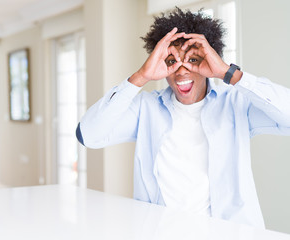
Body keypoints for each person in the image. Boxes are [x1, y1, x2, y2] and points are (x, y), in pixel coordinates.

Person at [75, 8, 290, 228]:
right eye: (171, 62)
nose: (181, 71)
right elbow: (89, 135)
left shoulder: (236, 104)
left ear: (210, 61)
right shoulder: (146, 108)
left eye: (194, 59)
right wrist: (141, 76)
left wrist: (228, 72)